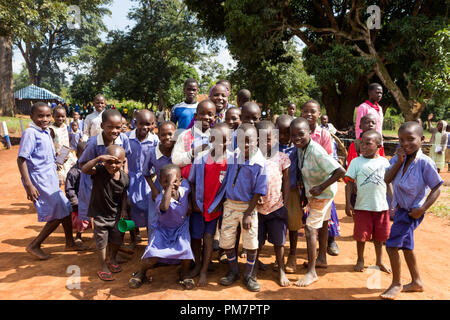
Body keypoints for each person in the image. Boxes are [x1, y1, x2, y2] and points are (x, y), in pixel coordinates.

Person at [381, 122, 443, 300]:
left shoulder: (425, 162)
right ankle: (416, 282)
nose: (405, 144)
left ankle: (396, 283)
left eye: (411, 139)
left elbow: (437, 187)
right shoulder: (398, 157)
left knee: (392, 246)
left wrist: (422, 209)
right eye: (401, 140)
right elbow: (387, 178)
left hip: (412, 212)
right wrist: (398, 162)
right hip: (401, 209)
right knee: (407, 247)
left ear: (422, 140)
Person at [17, 102, 85, 260]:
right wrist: (28, 185)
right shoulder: (30, 133)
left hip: (50, 176)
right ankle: (35, 244)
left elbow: (43, 155)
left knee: (66, 207)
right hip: (39, 179)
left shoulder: (46, 132)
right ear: (31, 116)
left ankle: (69, 242)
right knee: (58, 212)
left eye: (47, 116)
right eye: (40, 116)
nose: (44, 119)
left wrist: (58, 160)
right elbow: (21, 159)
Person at [290, 117, 345, 287]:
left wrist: (321, 187)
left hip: (323, 194)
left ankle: (311, 272)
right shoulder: (300, 148)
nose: (297, 138)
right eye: (293, 135)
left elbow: (340, 171)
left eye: (301, 134)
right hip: (316, 193)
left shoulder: (316, 151)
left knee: (310, 228)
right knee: (323, 222)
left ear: (309, 133)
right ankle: (321, 258)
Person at [218, 123, 268, 292]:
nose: (245, 144)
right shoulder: (234, 156)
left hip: (248, 207)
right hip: (230, 204)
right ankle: (233, 270)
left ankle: (249, 275)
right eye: (241, 140)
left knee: (251, 243)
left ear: (257, 141)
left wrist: (248, 213)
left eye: (249, 141)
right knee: (226, 240)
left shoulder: (259, 163)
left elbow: (259, 191)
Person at [128, 164, 195, 290]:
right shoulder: (160, 198)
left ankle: (184, 274)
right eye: (166, 182)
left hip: (180, 229)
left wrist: (190, 204)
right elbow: (165, 207)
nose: (172, 184)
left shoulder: (185, 188)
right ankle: (141, 272)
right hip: (163, 231)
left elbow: (189, 191)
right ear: (160, 182)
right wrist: (170, 186)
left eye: (175, 181)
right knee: (153, 256)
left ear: (181, 181)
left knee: (186, 252)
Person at [187, 122, 233, 286]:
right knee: (196, 237)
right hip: (199, 206)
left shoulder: (231, 161)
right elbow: (191, 182)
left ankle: (205, 270)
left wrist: (218, 204)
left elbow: (227, 188)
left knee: (208, 238)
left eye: (226, 140)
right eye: (218, 139)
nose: (222, 143)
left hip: (215, 207)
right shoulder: (201, 158)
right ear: (211, 139)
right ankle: (197, 265)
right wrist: (194, 202)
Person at [345, 130, 392, 273]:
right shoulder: (356, 162)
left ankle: (379, 261)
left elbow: (389, 183)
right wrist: (348, 203)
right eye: (361, 143)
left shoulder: (384, 162)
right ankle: (360, 259)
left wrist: (393, 201)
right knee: (361, 236)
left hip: (381, 207)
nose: (363, 146)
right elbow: (349, 184)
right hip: (362, 207)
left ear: (378, 145)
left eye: (368, 144)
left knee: (380, 237)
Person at [81, 145, 129, 281]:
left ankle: (112, 259)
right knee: (101, 241)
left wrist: (124, 209)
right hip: (100, 213)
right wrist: (98, 159)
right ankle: (102, 266)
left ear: (123, 162)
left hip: (115, 214)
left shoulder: (124, 177)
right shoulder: (100, 171)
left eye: (117, 162)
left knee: (117, 238)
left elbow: (124, 194)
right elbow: (84, 169)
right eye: (109, 161)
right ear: (104, 161)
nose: (113, 165)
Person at [77, 109, 131, 224]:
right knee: (97, 208)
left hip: (115, 181)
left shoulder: (124, 139)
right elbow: (82, 164)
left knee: (118, 204)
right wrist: (97, 165)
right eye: (110, 127)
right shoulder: (93, 143)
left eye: (118, 127)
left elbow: (126, 158)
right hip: (95, 182)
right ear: (102, 125)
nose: (114, 131)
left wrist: (124, 171)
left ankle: (116, 233)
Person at [301, 100, 340, 256]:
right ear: (301, 113)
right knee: (310, 215)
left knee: (328, 216)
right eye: (306, 111)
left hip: (323, 183)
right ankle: (318, 252)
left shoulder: (323, 134)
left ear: (319, 114)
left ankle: (331, 241)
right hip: (305, 180)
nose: (309, 114)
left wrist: (322, 185)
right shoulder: (298, 130)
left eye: (313, 112)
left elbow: (329, 161)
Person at [254, 121, 291, 287]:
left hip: (276, 207)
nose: (265, 143)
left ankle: (281, 268)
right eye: (261, 139)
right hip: (258, 208)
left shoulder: (283, 158)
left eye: (268, 139)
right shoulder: (253, 158)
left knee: (279, 242)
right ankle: (253, 267)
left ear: (275, 139)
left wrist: (286, 205)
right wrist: (253, 198)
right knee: (257, 242)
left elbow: (287, 183)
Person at [126, 110, 159, 247]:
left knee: (148, 209)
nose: (145, 127)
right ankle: (133, 237)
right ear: (135, 122)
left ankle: (148, 238)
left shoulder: (155, 140)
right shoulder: (127, 138)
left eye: (149, 124)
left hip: (148, 180)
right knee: (130, 208)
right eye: (142, 124)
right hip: (130, 178)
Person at [276, 115, 302, 274]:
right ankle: (278, 257)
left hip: (292, 191)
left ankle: (292, 255)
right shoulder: (270, 148)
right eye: (280, 133)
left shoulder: (297, 149)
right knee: (276, 224)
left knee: (293, 224)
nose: (283, 137)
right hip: (273, 191)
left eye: (287, 133)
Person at [143, 121, 177, 234]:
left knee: (175, 218)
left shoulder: (179, 152)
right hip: (158, 189)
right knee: (154, 219)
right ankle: (154, 247)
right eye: (163, 135)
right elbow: (145, 172)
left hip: (176, 190)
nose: (167, 137)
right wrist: (153, 189)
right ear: (158, 136)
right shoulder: (152, 152)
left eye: (170, 134)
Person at [172, 100, 216, 179]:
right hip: (187, 181)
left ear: (214, 118)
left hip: (207, 181)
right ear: (195, 116)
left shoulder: (215, 137)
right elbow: (175, 160)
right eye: (202, 114)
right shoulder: (185, 136)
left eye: (210, 114)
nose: (206, 117)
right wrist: (192, 152)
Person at [65, 141, 91, 246]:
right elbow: (69, 188)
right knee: (80, 220)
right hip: (80, 202)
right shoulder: (73, 172)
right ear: (77, 155)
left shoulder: (93, 169)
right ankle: (78, 235)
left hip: (91, 199)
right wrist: (74, 200)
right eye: (83, 154)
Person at [49, 106, 78, 185]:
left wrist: (68, 152)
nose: (60, 118)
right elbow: (50, 145)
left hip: (67, 154)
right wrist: (55, 158)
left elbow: (66, 140)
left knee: (70, 176)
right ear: (53, 116)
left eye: (63, 116)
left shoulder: (65, 126)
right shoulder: (51, 129)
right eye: (58, 116)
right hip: (58, 157)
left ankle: (69, 194)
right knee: (59, 179)